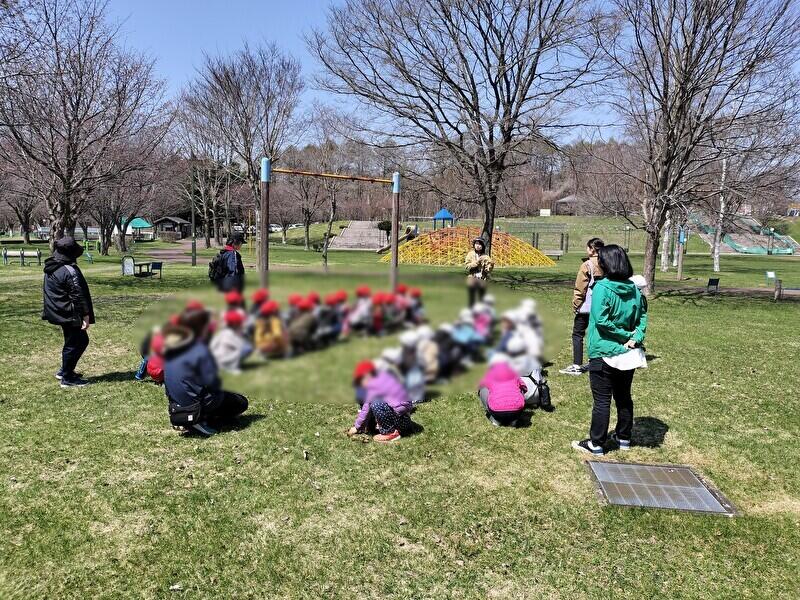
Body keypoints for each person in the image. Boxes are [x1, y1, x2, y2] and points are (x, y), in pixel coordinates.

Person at [572, 244, 648, 456]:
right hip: (628, 353)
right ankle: (624, 437)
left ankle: (596, 443)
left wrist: (626, 336)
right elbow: (642, 319)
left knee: (602, 400)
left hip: (603, 351)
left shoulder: (602, 288)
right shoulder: (635, 289)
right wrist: (635, 338)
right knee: (624, 396)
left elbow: (601, 321)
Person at [163, 309, 248, 436]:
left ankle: (192, 417)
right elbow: (212, 381)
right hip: (195, 404)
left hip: (176, 405)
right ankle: (199, 420)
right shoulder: (200, 349)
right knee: (240, 402)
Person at [42, 236, 95, 388]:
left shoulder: (52, 266)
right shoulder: (68, 270)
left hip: (59, 311)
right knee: (77, 342)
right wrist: (85, 315)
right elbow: (78, 295)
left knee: (74, 341)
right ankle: (67, 377)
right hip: (68, 312)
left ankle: (65, 371)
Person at [560, 237, 604, 376]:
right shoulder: (607, 263)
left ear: (592, 249)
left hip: (586, 306)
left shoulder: (587, 265)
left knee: (578, 334)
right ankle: (597, 362)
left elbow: (580, 288)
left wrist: (576, 304)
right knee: (596, 334)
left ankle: (577, 365)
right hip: (601, 306)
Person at [347, 360, 413, 443]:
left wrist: (357, 427)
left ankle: (390, 433)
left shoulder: (376, 385)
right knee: (375, 402)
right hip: (404, 420)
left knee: (376, 403)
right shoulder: (384, 379)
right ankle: (385, 427)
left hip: (401, 421)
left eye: (360, 381)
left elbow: (366, 409)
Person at [478, 358, 527, 427]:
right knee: (521, 388)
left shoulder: (490, 374)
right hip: (517, 412)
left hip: (496, 412)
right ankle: (514, 420)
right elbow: (524, 387)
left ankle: (495, 420)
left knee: (483, 388)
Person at [464, 236, 494, 307]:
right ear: (474, 245)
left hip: (482, 278)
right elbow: (467, 266)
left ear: (483, 246)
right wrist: (477, 262)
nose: (478, 246)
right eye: (476, 243)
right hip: (472, 277)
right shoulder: (470, 254)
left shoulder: (486, 256)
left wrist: (490, 266)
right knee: (472, 298)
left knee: (482, 297)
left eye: (480, 244)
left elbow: (488, 270)